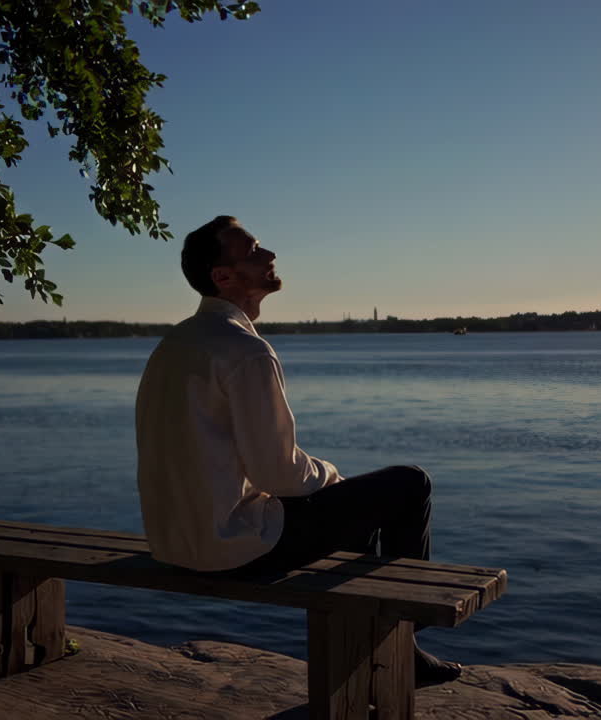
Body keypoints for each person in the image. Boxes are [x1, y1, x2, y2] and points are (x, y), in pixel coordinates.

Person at [135, 215, 462, 685]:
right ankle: (406, 626)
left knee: (355, 513)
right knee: (410, 483)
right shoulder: (245, 350)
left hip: (172, 542)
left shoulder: (175, 342)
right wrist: (331, 476)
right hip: (229, 549)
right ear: (224, 277)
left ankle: (395, 649)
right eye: (253, 253)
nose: (269, 257)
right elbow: (279, 475)